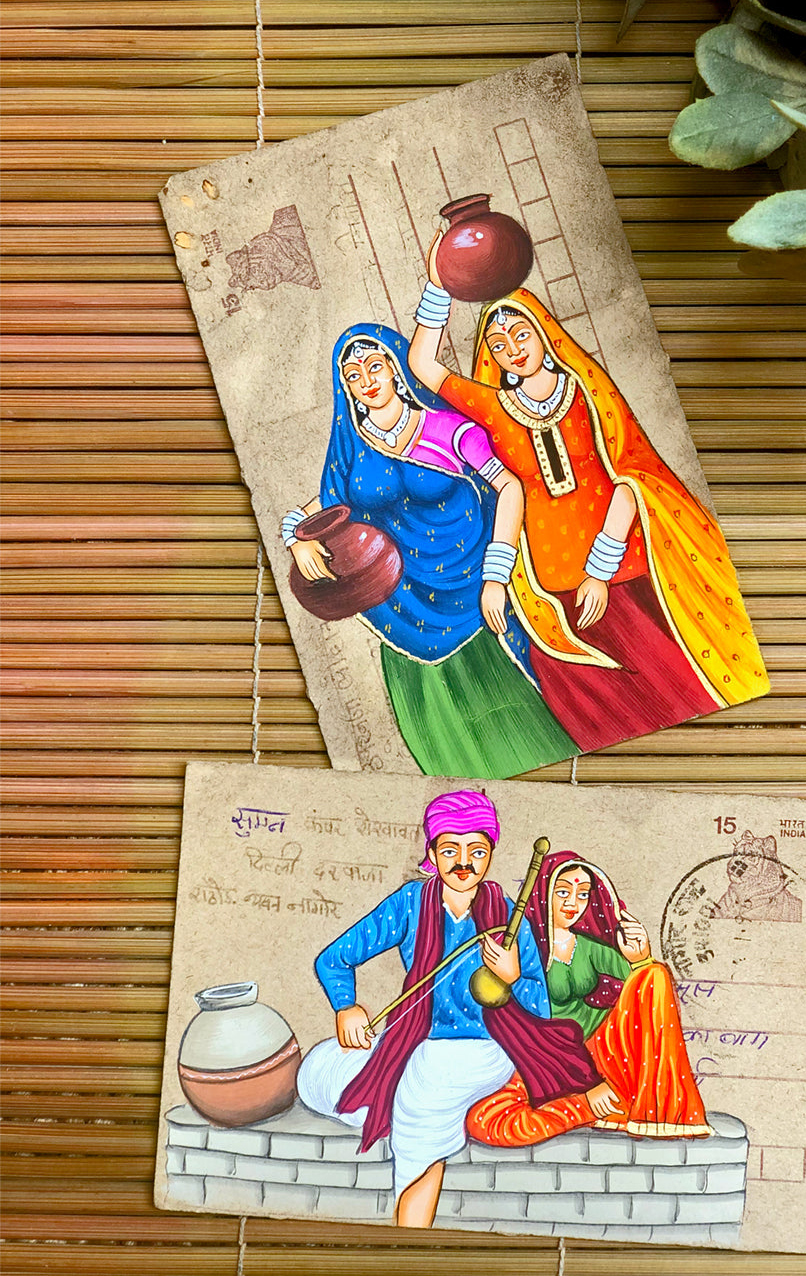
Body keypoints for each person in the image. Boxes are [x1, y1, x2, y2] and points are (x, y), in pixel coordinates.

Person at [407, 259, 769, 753]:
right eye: (499, 344)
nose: (513, 349)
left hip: (624, 575)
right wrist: (438, 282)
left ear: (544, 334)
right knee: (604, 720)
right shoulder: (492, 407)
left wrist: (600, 570)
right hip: (552, 592)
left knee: (677, 695)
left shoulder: (588, 393)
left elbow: (630, 477)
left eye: (521, 335)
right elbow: (424, 366)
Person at [281, 323, 575, 778]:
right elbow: (325, 505)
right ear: (346, 389)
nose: (367, 380)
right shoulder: (352, 448)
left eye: (375, 366)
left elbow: (509, 487)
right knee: (441, 742)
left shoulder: (447, 429)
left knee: (520, 727)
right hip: (400, 608)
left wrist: (497, 578)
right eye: (354, 375)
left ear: (396, 369)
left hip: (475, 594)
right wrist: (295, 539)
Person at [297, 792, 600, 1227]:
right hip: (411, 1038)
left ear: (490, 854)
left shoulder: (508, 916)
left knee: (422, 1102)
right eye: (450, 850)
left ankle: (410, 1233)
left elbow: (540, 1008)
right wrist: (347, 1007)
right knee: (319, 1071)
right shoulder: (411, 903)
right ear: (433, 852)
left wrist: (514, 976)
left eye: (476, 851)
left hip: (483, 1046)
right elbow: (333, 959)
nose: (463, 863)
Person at [466, 848, 711, 1145]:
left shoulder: (587, 946)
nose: (573, 903)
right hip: (548, 1055)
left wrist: (641, 958)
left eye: (582, 894)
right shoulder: (525, 948)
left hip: (601, 1047)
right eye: (563, 892)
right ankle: (593, 1105)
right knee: (489, 1121)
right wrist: (512, 978)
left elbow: (635, 982)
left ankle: (659, 1111)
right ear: (543, 894)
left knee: (654, 974)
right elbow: (512, 1012)